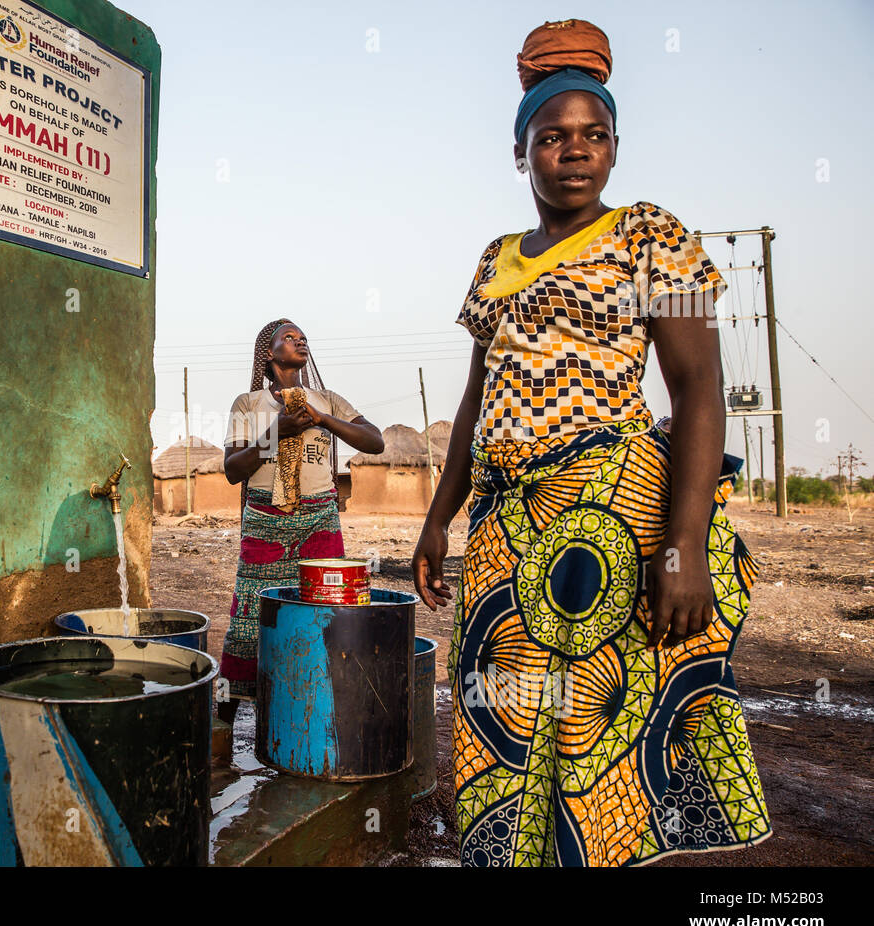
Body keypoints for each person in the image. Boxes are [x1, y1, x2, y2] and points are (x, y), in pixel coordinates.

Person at [412, 19, 771, 866]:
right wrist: (437, 518)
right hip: (503, 528)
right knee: (499, 703)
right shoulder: (495, 261)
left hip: (603, 517)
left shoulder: (653, 237)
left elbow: (696, 389)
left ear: (613, 147)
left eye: (594, 135)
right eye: (552, 137)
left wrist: (681, 545)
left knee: (587, 725)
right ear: (521, 151)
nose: (575, 152)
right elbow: (473, 402)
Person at [218, 320, 384, 722]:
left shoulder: (327, 400)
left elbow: (375, 441)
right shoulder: (248, 404)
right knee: (248, 621)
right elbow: (233, 469)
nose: (300, 341)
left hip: (319, 518)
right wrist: (277, 432)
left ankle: (317, 709)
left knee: (325, 612)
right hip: (265, 518)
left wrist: (323, 421)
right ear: (268, 352)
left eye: (303, 337)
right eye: (289, 338)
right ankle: (222, 722)